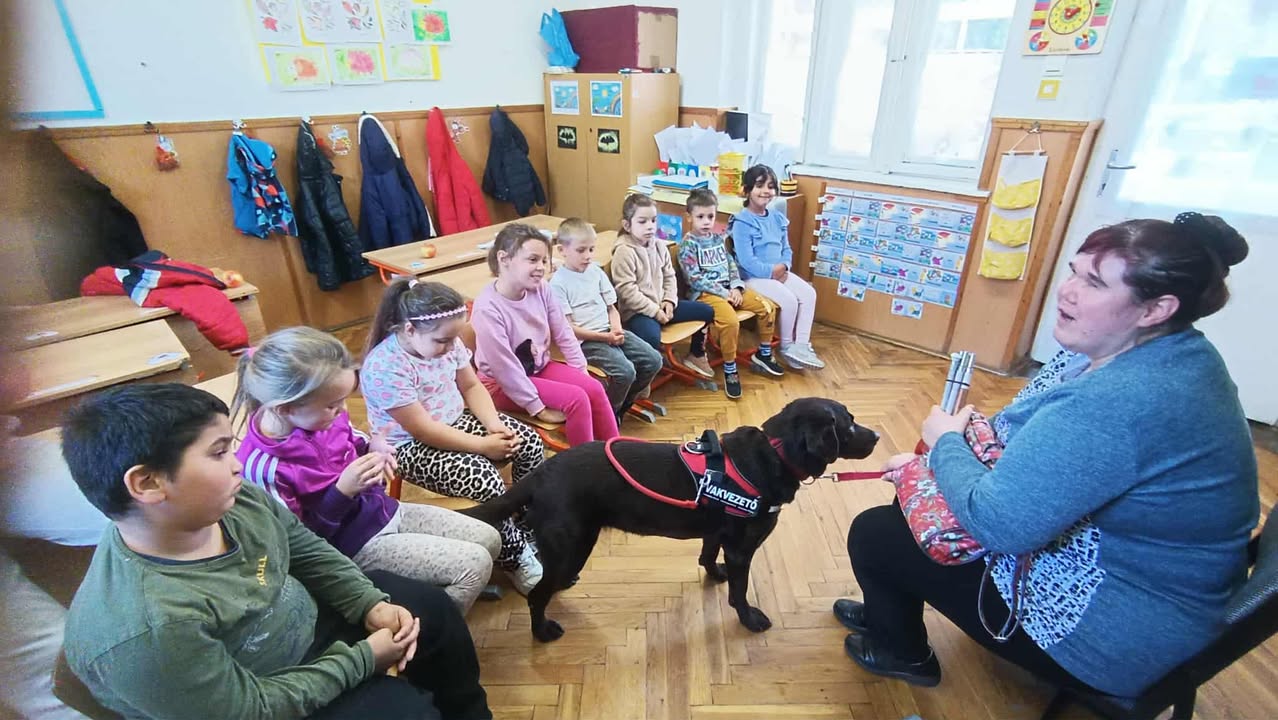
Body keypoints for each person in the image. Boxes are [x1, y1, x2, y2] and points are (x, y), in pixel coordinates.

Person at [839, 213, 1260, 698]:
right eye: (1074, 271)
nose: (1067, 291)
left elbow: (998, 525)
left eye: (1094, 282)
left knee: (876, 534)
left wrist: (944, 444)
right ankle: (888, 612)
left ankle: (902, 652)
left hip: (1116, 632)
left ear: (1156, 308)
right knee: (912, 506)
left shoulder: (1123, 399)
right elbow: (1025, 436)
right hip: (1147, 583)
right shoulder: (1168, 352)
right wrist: (936, 466)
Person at [59, 383, 492, 719]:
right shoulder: (147, 631)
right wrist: (363, 660)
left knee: (429, 610)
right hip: (264, 696)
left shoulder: (229, 499)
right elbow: (249, 710)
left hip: (305, 632)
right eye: (218, 452)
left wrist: (368, 604)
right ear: (148, 483)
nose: (237, 463)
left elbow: (304, 548)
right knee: (403, 712)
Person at [233, 326, 502, 612]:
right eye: (332, 405)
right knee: (474, 566)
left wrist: (374, 447)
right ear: (285, 408)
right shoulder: (263, 468)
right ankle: (432, 623)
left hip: (383, 511)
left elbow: (353, 438)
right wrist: (341, 493)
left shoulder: (321, 416)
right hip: (351, 546)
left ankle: (432, 589)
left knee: (490, 539)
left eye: (343, 400)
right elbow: (297, 546)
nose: (341, 410)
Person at [362, 279, 546, 595]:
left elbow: (472, 386)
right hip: (409, 447)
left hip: (455, 421)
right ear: (410, 330)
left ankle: (526, 526)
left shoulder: (447, 343)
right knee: (484, 479)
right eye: (443, 340)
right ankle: (514, 558)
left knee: (528, 443)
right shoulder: (384, 366)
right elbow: (423, 430)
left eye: (454, 339)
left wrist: (494, 426)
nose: (451, 347)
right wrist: (483, 445)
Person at [471, 223, 619, 446]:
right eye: (533, 260)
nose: (541, 267)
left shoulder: (541, 287)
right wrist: (537, 407)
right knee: (576, 400)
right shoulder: (487, 309)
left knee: (594, 388)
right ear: (504, 259)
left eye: (544, 260)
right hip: (500, 384)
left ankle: (616, 453)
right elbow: (505, 369)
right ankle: (585, 463)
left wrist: (581, 371)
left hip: (537, 368)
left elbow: (564, 332)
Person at [549, 217, 663, 422]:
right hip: (586, 341)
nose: (587, 256)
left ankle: (621, 407)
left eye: (591, 249)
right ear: (562, 250)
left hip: (609, 331)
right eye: (581, 250)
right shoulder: (558, 283)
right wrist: (606, 337)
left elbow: (612, 308)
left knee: (654, 360)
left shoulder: (596, 271)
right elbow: (569, 329)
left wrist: (616, 329)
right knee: (625, 372)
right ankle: (606, 415)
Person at [677, 188, 784, 399]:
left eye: (710, 216)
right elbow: (694, 279)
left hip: (730, 289)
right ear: (689, 217)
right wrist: (724, 293)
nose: (706, 222)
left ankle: (764, 353)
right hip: (706, 294)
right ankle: (730, 367)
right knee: (731, 322)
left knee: (767, 307)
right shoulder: (687, 245)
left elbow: (731, 264)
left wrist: (736, 286)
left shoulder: (718, 239)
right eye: (700, 217)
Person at [611, 193, 717, 379]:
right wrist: (655, 312)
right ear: (627, 225)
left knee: (707, 311)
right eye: (642, 221)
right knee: (651, 337)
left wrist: (669, 301)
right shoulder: (624, 252)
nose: (650, 226)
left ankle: (696, 354)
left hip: (663, 305)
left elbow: (669, 276)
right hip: (638, 312)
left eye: (653, 220)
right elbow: (627, 291)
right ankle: (646, 373)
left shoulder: (660, 246)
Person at [730, 165, 824, 370]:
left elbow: (786, 248)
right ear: (747, 190)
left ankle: (801, 346)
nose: (766, 191)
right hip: (753, 277)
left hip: (779, 272)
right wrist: (772, 272)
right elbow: (746, 261)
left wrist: (785, 266)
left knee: (809, 294)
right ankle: (787, 347)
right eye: (759, 186)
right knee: (789, 300)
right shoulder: (742, 222)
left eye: (771, 186)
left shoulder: (776, 217)